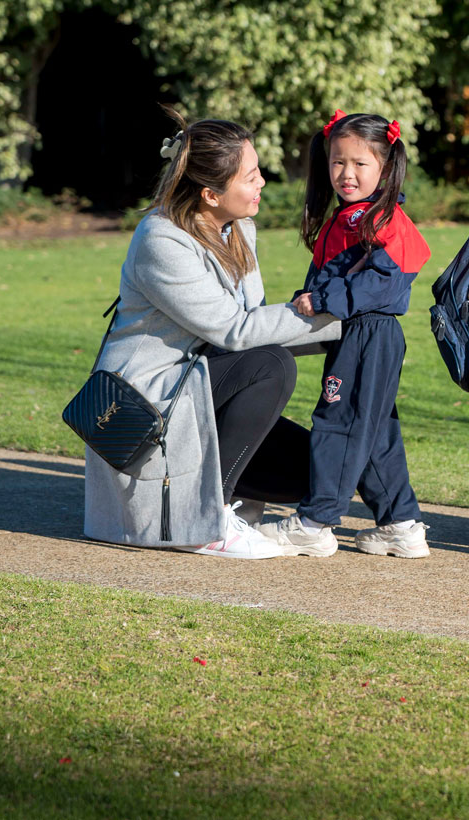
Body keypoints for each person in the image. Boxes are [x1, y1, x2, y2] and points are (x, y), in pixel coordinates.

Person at [83, 113, 343, 559]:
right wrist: (334, 315)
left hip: (199, 384)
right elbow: (235, 330)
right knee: (270, 365)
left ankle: (235, 500)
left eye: (258, 170)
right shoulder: (161, 238)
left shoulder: (238, 228)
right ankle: (210, 519)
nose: (262, 182)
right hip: (146, 401)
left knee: (319, 468)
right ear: (209, 193)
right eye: (250, 176)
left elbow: (254, 322)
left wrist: (349, 329)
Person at [259, 110, 432, 559]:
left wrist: (325, 298)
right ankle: (400, 523)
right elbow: (321, 276)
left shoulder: (387, 220)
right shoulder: (347, 219)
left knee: (338, 422)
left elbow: (386, 281)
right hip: (352, 333)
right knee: (373, 431)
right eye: (338, 162)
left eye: (360, 163)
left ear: (386, 166)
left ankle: (316, 521)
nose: (347, 174)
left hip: (370, 334)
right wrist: (308, 297)